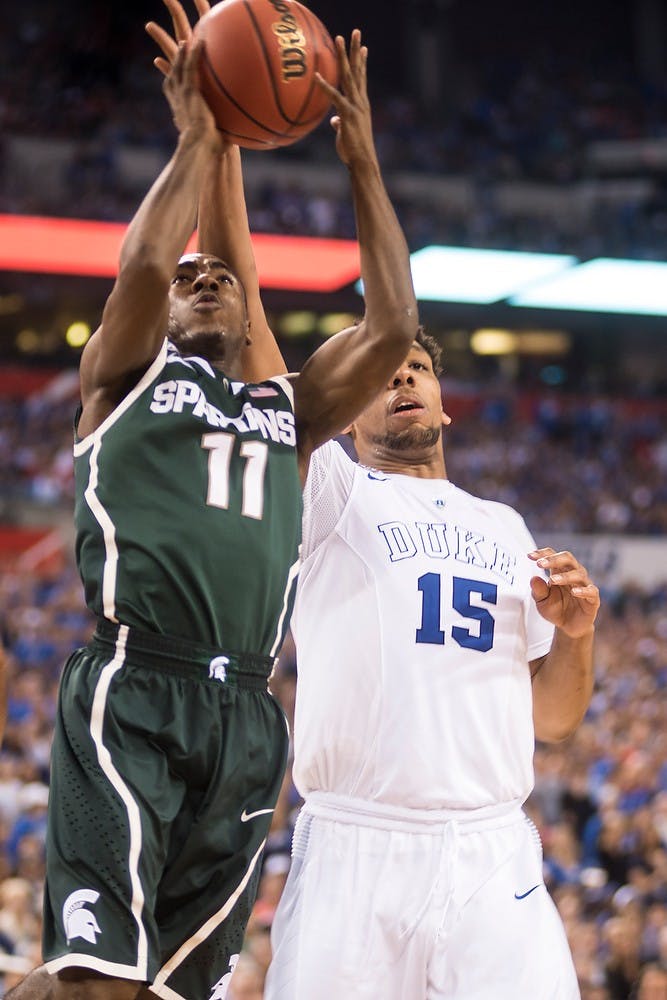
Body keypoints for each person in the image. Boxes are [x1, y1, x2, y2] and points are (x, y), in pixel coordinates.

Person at [155, 11, 601, 999]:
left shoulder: (506, 528)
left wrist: (573, 636)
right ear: (343, 414)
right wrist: (221, 147)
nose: (399, 379)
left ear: (444, 397)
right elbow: (249, 318)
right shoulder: (332, 489)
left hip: (490, 853)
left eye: (415, 368)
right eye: (379, 375)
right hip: (356, 847)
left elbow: (557, 721)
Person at [7, 17, 418, 1000]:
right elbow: (146, 267)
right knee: (102, 979)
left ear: (247, 319)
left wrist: (360, 159)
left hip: (246, 719)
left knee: (156, 989)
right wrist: (198, 137)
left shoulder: (292, 409)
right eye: (190, 276)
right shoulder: (119, 382)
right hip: (134, 687)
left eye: (221, 277)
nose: (201, 275)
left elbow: (393, 323)